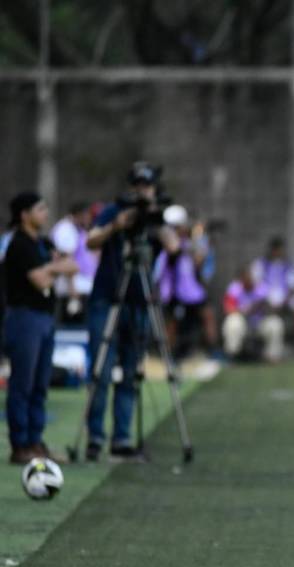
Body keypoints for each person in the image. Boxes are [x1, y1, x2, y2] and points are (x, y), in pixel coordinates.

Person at [84, 161, 180, 462]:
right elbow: (90, 240)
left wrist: (154, 217)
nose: (142, 191)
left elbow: (174, 246)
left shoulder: (155, 218)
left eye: (147, 186)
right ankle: (94, 439)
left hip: (139, 301)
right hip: (107, 299)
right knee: (101, 370)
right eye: (138, 186)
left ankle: (122, 438)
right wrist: (117, 225)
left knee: (130, 373)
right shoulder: (115, 211)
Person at [4, 193, 79, 464]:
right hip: (24, 317)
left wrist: (51, 268)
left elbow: (72, 264)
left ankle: (36, 441)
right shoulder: (19, 245)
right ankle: (20, 444)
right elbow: (38, 280)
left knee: (40, 384)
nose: (45, 213)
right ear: (24, 214)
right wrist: (53, 267)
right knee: (22, 384)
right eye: (40, 208)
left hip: (45, 318)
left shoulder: (43, 243)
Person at [155, 205, 217, 359]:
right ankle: (167, 355)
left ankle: (213, 351)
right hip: (174, 292)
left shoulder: (188, 241)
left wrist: (198, 236)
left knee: (207, 315)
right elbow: (173, 249)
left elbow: (199, 261)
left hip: (192, 291)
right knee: (171, 325)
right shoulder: (168, 240)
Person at [222, 265, 284, 362]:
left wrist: (264, 306)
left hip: (259, 322)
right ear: (241, 278)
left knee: (275, 323)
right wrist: (243, 310)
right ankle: (233, 355)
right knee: (233, 321)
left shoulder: (262, 288)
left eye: (251, 277)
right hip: (243, 323)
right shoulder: (235, 288)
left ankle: (272, 355)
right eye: (246, 277)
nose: (249, 280)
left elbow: (274, 308)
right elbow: (228, 308)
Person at [49, 201, 96, 323]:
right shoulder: (65, 230)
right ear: (79, 215)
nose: (89, 220)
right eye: (87, 216)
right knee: (72, 331)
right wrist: (72, 289)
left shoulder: (78, 229)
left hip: (83, 287)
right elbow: (65, 259)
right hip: (73, 290)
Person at [251, 236, 294, 341]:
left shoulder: (288, 265)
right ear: (273, 250)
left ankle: (292, 338)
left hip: (285, 296)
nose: (280, 252)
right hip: (267, 296)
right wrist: (267, 298)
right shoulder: (260, 264)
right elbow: (256, 284)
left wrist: (285, 299)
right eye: (278, 250)